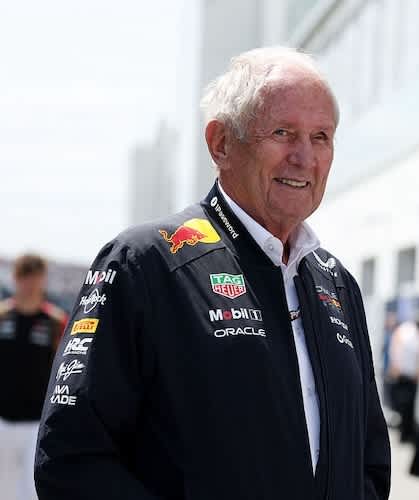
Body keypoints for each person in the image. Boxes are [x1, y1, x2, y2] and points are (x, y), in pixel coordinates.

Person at [35, 47, 390, 500]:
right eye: (282, 133)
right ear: (221, 143)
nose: (304, 157)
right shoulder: (144, 264)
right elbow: (71, 460)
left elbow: (369, 461)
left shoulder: (336, 283)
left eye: (321, 137)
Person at [0, 254, 66, 500]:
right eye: (25, 277)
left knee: (32, 489)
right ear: (16, 279)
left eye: (35, 277)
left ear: (42, 280)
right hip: (3, 419)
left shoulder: (55, 321)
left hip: (37, 423)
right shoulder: (2, 316)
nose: (30, 284)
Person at [388, 319, 419, 443]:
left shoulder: (408, 332)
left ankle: (407, 434)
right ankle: (405, 434)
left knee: (408, 406)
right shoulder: (407, 331)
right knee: (405, 406)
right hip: (405, 375)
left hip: (409, 376)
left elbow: (418, 353)